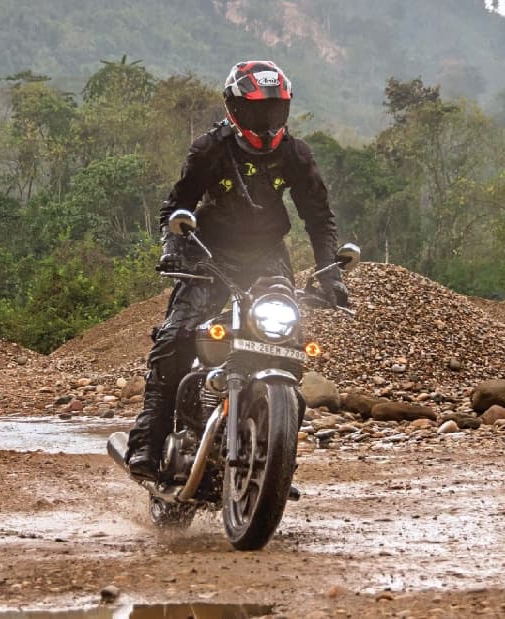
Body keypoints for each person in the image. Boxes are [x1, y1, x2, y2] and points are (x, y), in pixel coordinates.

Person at [125, 60, 348, 480]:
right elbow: (177, 207)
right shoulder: (210, 149)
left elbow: (319, 218)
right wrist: (175, 249)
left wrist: (330, 273)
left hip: (268, 258)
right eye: (257, 109)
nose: (267, 119)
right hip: (210, 256)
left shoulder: (295, 154)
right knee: (174, 339)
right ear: (234, 107)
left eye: (275, 108)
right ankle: (147, 445)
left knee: (288, 346)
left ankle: (276, 461)